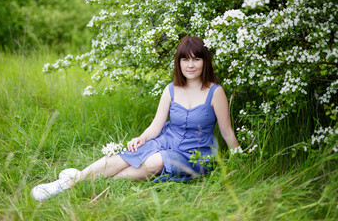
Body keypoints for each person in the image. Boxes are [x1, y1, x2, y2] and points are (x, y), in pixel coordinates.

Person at [31, 36, 240, 201]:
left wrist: (239, 160)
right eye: (185, 59)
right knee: (128, 154)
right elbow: (156, 126)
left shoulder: (215, 91)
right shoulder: (171, 89)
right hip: (167, 139)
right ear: (179, 62)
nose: (190, 64)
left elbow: (227, 132)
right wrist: (141, 139)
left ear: (205, 62)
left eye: (196, 59)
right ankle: (66, 184)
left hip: (195, 152)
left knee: (153, 161)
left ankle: (84, 181)